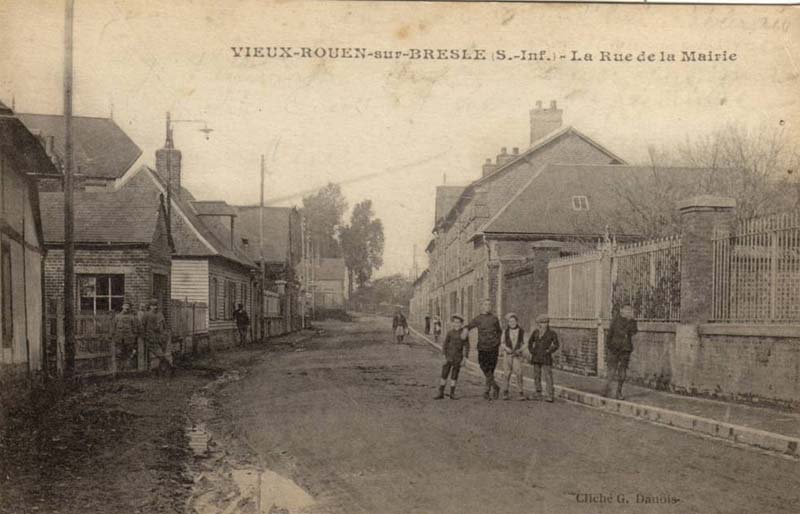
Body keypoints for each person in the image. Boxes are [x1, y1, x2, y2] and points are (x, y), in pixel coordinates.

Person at [465, 299, 502, 400]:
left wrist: (497, 342)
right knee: (483, 366)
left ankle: (487, 391)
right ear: (481, 306)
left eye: (489, 305)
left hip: (493, 347)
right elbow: (469, 326)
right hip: (482, 347)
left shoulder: (495, 318)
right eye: (485, 305)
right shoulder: (478, 318)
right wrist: (462, 330)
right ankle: (495, 386)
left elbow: (499, 331)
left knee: (491, 369)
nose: (488, 306)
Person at [605, 305, 638, 400]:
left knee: (623, 370)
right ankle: (608, 388)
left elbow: (633, 332)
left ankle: (619, 391)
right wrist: (609, 347)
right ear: (621, 310)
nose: (628, 311)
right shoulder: (615, 320)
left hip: (625, 349)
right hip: (614, 348)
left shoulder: (632, 321)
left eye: (630, 309)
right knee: (612, 369)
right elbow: (610, 334)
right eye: (626, 309)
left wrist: (630, 321)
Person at [434, 314, 470, 400]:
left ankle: (452, 393)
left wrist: (465, 358)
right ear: (452, 323)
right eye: (455, 322)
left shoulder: (464, 333)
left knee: (454, 375)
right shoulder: (450, 333)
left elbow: (467, 346)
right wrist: (443, 355)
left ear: (461, 324)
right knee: (444, 374)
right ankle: (441, 392)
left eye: (458, 322)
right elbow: (445, 344)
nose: (456, 324)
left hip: (458, 357)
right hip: (448, 356)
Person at [528, 315, 560, 402]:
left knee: (548, 376)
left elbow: (556, 344)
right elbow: (530, 342)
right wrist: (532, 351)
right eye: (541, 323)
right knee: (536, 376)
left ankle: (550, 395)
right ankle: (538, 393)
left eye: (545, 322)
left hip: (546, 357)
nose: (544, 324)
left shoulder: (552, 333)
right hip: (536, 357)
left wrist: (549, 351)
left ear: (548, 323)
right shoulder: (536, 332)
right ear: (538, 324)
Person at [143, 299, 173, 377]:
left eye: (156, 306)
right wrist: (145, 335)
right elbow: (143, 326)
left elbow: (164, 326)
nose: (155, 307)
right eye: (153, 306)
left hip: (161, 338)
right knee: (159, 354)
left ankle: (159, 371)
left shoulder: (160, 315)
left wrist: (165, 334)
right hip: (151, 338)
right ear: (150, 306)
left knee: (159, 355)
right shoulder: (146, 315)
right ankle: (167, 368)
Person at [500, 313, 526, 401]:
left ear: (517, 322)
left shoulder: (521, 331)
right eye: (510, 321)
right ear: (508, 323)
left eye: (514, 321)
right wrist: (506, 349)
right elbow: (502, 343)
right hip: (508, 355)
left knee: (519, 373)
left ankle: (520, 392)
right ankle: (505, 391)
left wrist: (520, 350)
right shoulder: (505, 331)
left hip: (517, 355)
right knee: (506, 373)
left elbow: (525, 343)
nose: (512, 323)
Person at [111, 301, 139, 371]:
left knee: (128, 354)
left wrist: (133, 337)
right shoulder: (117, 316)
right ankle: (118, 369)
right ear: (122, 307)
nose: (126, 308)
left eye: (128, 307)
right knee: (119, 353)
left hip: (129, 339)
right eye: (125, 306)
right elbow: (113, 327)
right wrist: (112, 335)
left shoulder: (132, 317)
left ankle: (126, 369)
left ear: (129, 308)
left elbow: (135, 328)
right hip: (119, 338)